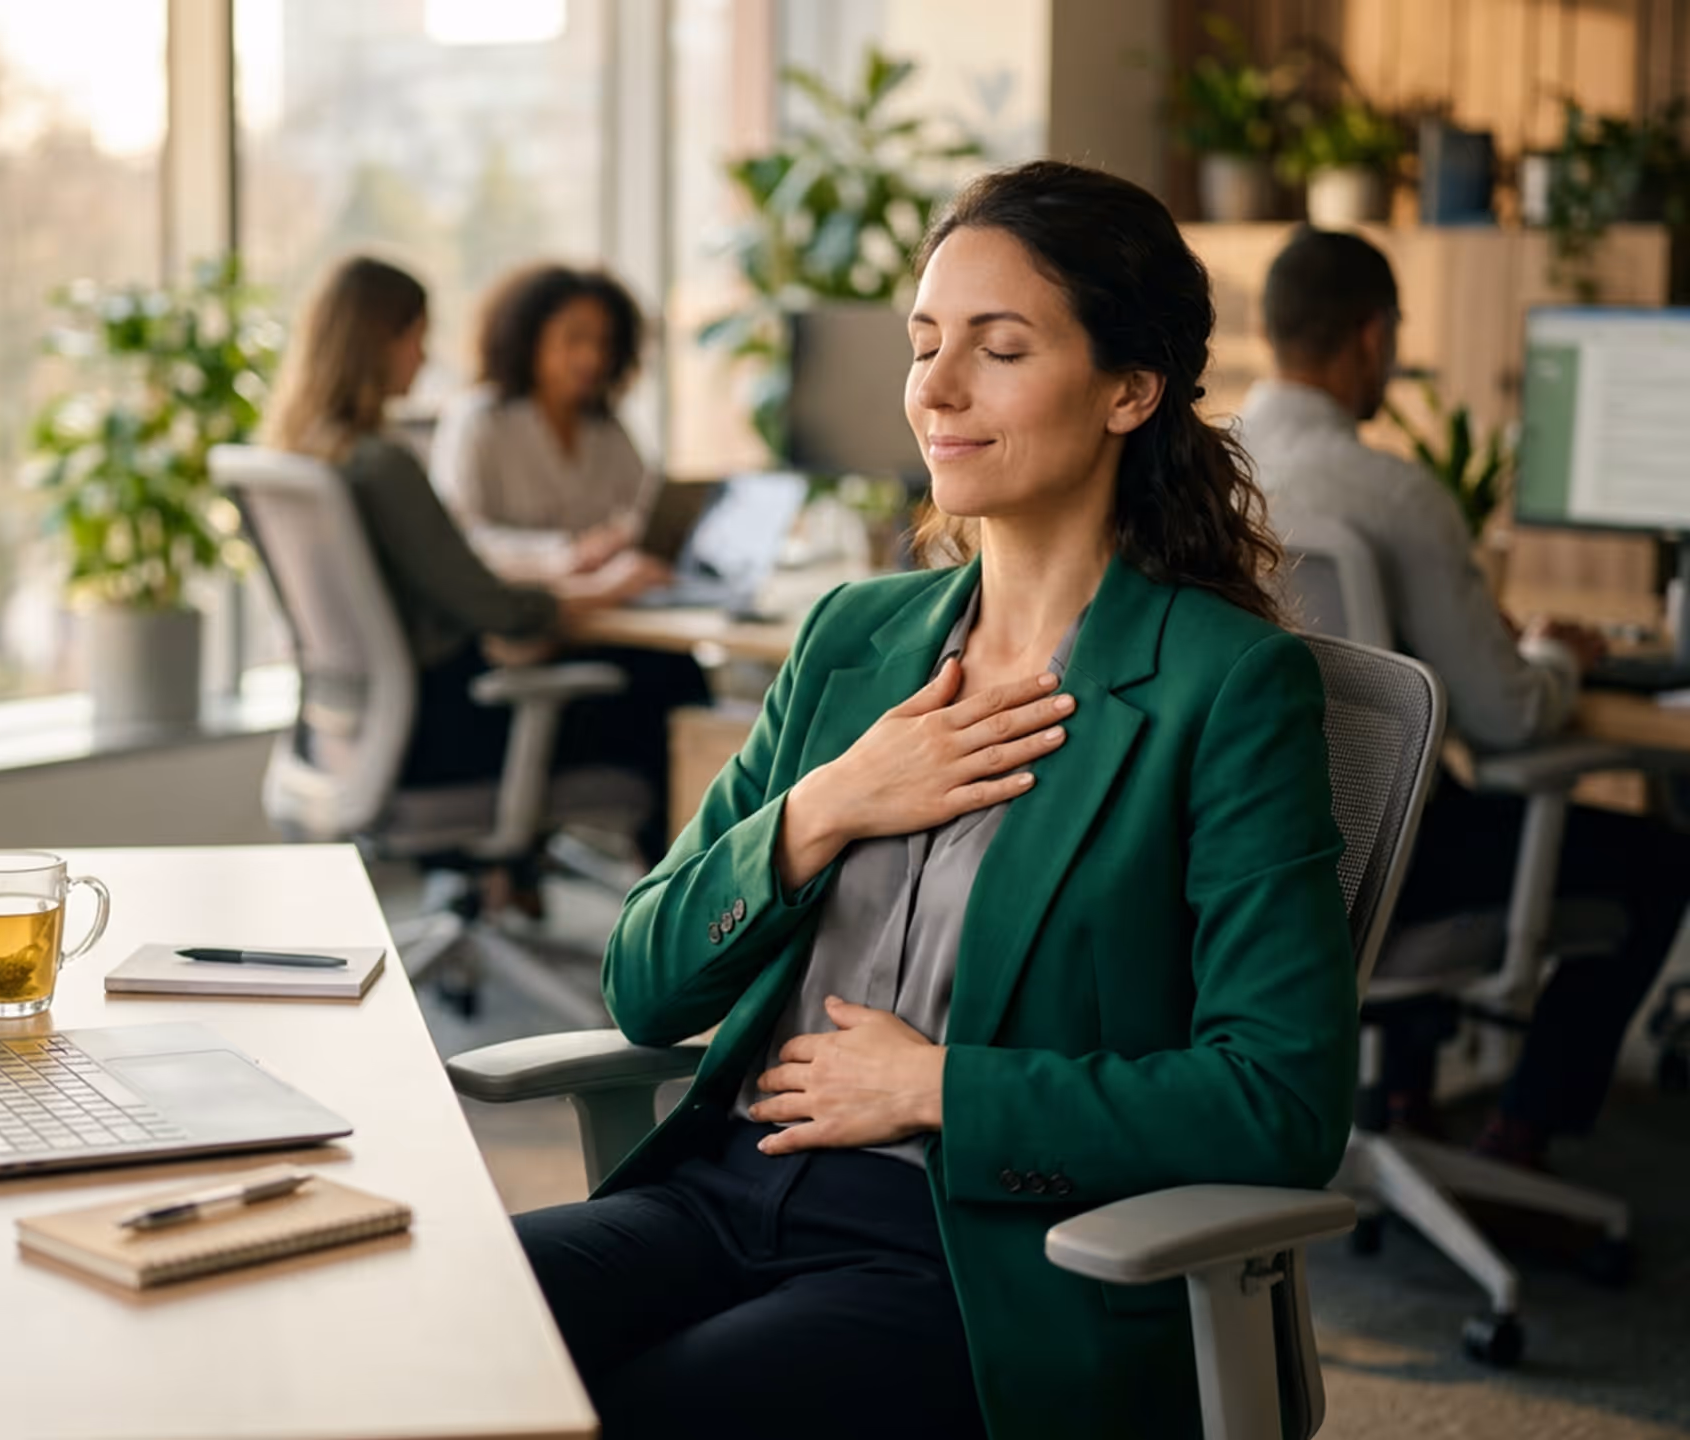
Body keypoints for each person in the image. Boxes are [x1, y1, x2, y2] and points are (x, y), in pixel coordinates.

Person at [514, 161, 1359, 1440]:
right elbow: (644, 979)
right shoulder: (851, 638)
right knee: (428, 1341)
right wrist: (830, 805)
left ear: (1131, 389)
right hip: (726, 1190)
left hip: (971, 1257)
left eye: (999, 349)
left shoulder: (1226, 687)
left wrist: (938, 1089)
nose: (937, 390)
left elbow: (1278, 1102)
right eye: (924, 346)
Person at [1240, 226, 1690, 1168]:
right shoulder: (1396, 497)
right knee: (1659, 860)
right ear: (1372, 338)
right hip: (1391, 877)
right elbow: (1506, 719)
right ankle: (1523, 1135)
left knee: (1403, 776)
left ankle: (1404, 1097)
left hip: (1246, 865)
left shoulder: (1209, 475)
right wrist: (1551, 659)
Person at [258, 255, 703, 858]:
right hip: (441, 734)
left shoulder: (308, 457)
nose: (423, 357)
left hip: (351, 733)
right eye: (415, 337)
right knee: (671, 683)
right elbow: (494, 607)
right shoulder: (382, 466)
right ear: (377, 343)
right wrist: (599, 588)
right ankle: (687, 925)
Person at [430, 263, 655, 581]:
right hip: (520, 612)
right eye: (574, 338)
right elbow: (459, 538)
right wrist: (566, 554)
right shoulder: (479, 420)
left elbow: (645, 510)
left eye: (604, 343)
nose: (591, 357)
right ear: (529, 337)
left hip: (604, 605)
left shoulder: (607, 428)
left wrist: (622, 539)